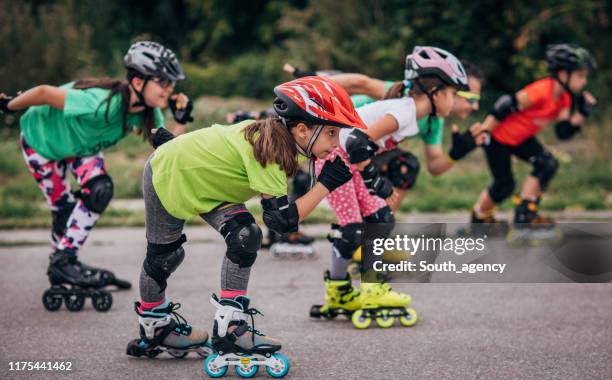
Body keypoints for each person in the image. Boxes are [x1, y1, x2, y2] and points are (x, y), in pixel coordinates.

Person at [125, 76, 365, 377]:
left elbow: (221, 142)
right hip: (169, 174)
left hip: (212, 187)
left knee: (245, 236)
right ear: (302, 130)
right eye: (331, 132)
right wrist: (326, 184)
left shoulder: (274, 138)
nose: (336, 143)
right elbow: (280, 223)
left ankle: (230, 327)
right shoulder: (271, 151)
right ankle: (155, 325)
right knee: (165, 257)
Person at [0, 41, 194, 311]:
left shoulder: (147, 114)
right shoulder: (102, 102)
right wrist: (9, 104)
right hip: (42, 141)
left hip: (81, 149)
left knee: (100, 189)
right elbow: (44, 93)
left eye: (171, 83)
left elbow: (169, 152)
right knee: (64, 209)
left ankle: (64, 260)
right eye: (163, 82)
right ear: (138, 82)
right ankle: (63, 264)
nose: (170, 89)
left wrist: (182, 119)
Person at [468, 43, 596, 231]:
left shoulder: (564, 99)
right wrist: (485, 131)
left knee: (547, 163)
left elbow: (563, 131)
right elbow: (505, 104)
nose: (584, 81)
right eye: (580, 76)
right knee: (505, 185)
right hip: (498, 138)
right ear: (562, 74)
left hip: (521, 139)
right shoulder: (542, 90)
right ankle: (479, 219)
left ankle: (525, 214)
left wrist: (583, 114)